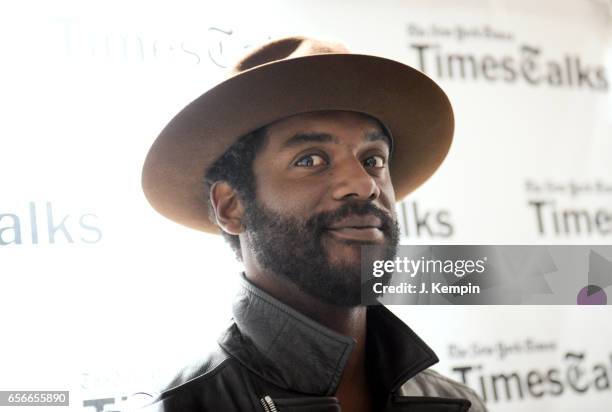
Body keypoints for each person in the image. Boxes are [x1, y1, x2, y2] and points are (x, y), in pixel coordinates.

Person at [140, 36, 487, 412]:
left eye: (373, 160)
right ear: (232, 206)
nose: (363, 184)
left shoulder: (455, 402)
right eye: (310, 159)